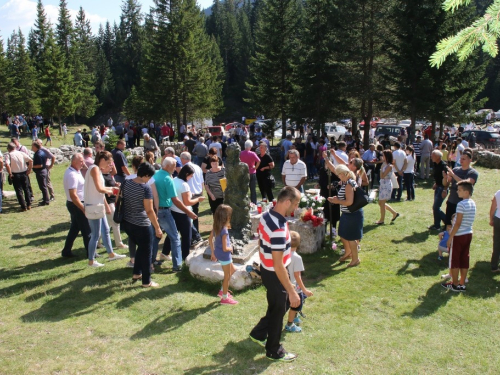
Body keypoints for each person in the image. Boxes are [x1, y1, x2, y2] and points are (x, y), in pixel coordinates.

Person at [249, 186, 301, 362]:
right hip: (275, 272)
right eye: (295, 204)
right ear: (287, 202)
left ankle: (259, 332)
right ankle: (273, 350)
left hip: (268, 269)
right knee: (279, 309)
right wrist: (292, 291)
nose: (296, 207)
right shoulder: (278, 228)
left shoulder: (266, 215)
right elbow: (279, 265)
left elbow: (261, 244)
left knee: (278, 305)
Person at [122, 163, 162, 287]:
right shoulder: (145, 188)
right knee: (147, 252)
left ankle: (136, 273)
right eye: (149, 177)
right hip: (141, 224)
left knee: (141, 248)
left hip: (127, 222)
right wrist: (157, 227)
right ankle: (146, 281)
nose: (149, 180)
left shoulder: (126, 182)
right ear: (145, 175)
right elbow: (149, 210)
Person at [154, 157, 197, 272]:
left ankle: (153, 259)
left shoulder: (157, 174)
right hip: (166, 210)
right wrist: (189, 212)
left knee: (157, 236)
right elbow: (176, 200)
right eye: (173, 167)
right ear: (167, 166)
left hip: (156, 209)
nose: (175, 169)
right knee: (176, 238)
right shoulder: (168, 179)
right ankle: (177, 265)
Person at [84, 151, 126, 267]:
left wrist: (109, 191)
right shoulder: (95, 169)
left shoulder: (96, 169)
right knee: (95, 235)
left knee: (106, 230)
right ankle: (91, 261)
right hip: (93, 206)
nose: (109, 166)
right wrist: (112, 190)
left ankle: (111, 254)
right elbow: (100, 188)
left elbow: (100, 189)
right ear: (101, 160)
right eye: (108, 163)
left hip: (98, 205)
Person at [441, 180, 476, 292]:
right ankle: (462, 283)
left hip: (458, 235)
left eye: (460, 190)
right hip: (468, 233)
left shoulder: (461, 204)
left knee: (454, 259)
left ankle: (455, 284)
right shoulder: (472, 203)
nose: (457, 192)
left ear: (466, 192)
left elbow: (458, 223)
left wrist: (450, 237)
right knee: (464, 258)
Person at [327, 164, 363, 267]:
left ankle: (355, 259)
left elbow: (349, 202)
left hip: (352, 214)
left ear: (343, 173)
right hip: (347, 214)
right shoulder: (347, 182)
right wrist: (337, 198)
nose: (338, 177)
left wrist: (337, 201)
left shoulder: (349, 184)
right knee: (342, 234)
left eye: (339, 175)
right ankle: (348, 253)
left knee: (351, 237)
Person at [171, 164, 205, 260]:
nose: (191, 178)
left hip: (174, 210)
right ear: (186, 174)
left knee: (173, 234)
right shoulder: (184, 185)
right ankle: (185, 257)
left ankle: (165, 252)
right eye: (191, 176)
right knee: (186, 237)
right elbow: (187, 202)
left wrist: (190, 194)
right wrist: (198, 199)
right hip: (183, 213)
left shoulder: (174, 180)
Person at [62, 153, 91, 258]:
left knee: (74, 229)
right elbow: (73, 195)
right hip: (76, 205)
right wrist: (83, 208)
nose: (83, 163)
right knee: (87, 229)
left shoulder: (76, 171)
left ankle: (66, 251)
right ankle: (91, 253)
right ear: (74, 162)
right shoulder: (72, 175)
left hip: (76, 204)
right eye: (81, 161)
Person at [209, 204, 238, 305]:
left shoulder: (216, 226)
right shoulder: (224, 230)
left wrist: (213, 252)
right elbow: (226, 248)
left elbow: (210, 239)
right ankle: (224, 298)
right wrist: (232, 248)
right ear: (227, 217)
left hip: (218, 252)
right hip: (224, 255)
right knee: (227, 275)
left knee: (233, 270)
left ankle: (222, 290)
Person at [285, 231, 313, 333]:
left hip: (285, 285)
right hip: (294, 287)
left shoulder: (283, 255)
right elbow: (297, 276)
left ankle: (295, 317)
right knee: (296, 305)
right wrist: (304, 290)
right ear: (299, 243)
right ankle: (289, 324)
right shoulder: (297, 258)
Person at [443, 150, 478, 227]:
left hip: (463, 203)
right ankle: (448, 239)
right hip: (451, 200)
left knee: (459, 225)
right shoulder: (456, 170)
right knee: (448, 224)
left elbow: (467, 183)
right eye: (461, 158)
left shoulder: (473, 173)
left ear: (470, 160)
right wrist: (445, 178)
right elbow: (446, 183)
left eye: (464, 159)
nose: (461, 160)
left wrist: (453, 175)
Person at [179, 152, 204, 245]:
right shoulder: (197, 167)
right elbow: (202, 181)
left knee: (188, 215)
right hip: (197, 193)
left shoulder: (185, 169)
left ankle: (192, 236)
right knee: (195, 215)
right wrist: (201, 192)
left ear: (183, 159)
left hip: (189, 194)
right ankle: (195, 234)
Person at [5, 142, 33, 211]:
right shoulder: (21, 153)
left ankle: (23, 206)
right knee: (26, 189)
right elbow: (30, 160)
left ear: (8, 149)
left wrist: (10, 173)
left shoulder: (9, 155)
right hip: (24, 173)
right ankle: (29, 204)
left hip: (15, 174)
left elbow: (7, 164)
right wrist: (29, 169)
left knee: (19, 190)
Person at [376, 150, 399, 225]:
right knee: (380, 203)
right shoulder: (384, 164)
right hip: (383, 184)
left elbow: (382, 176)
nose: (382, 157)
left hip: (386, 184)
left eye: (383, 155)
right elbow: (381, 176)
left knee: (382, 203)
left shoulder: (389, 166)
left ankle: (382, 220)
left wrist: (381, 168)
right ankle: (394, 213)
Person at [427, 150, 448, 230]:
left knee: (436, 207)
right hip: (438, 186)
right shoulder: (435, 164)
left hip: (442, 188)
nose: (431, 157)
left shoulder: (444, 166)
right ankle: (437, 225)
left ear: (438, 157)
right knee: (436, 207)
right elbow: (438, 176)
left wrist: (445, 190)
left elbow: (448, 180)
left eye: (433, 156)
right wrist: (436, 183)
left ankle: (448, 221)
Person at [240, 140, 260, 204]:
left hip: (243, 173)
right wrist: (255, 167)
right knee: (253, 189)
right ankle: (254, 202)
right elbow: (259, 161)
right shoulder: (252, 153)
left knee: (244, 189)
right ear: (250, 146)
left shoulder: (240, 153)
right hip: (252, 172)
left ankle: (244, 202)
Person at [31, 141, 50, 206]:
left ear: (35, 147)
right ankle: (45, 199)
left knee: (43, 186)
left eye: (32, 146)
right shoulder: (41, 152)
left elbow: (40, 165)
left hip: (41, 171)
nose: (31, 147)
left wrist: (31, 166)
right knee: (43, 186)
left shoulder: (38, 154)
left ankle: (46, 200)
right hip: (43, 171)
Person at [490, 189, 500, 272]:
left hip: (498, 219)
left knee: (497, 243)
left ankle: (494, 266)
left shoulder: (498, 193)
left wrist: (491, 219)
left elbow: (493, 208)